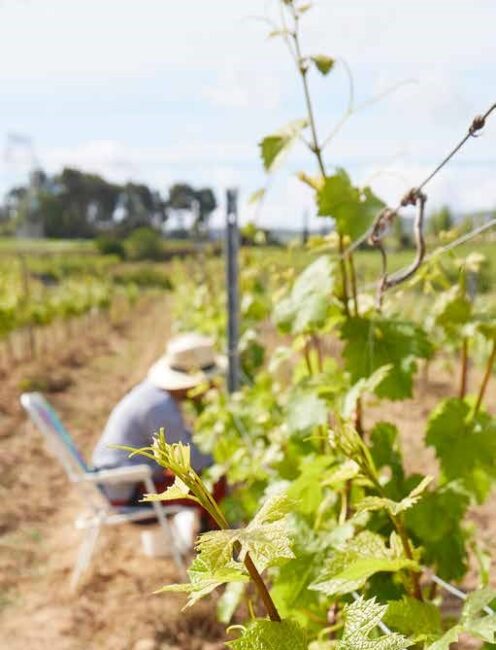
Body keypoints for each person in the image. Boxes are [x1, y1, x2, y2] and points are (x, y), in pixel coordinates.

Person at [91, 332, 225, 507]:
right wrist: (224, 458)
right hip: (128, 487)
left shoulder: (154, 393)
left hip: (116, 478)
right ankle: (212, 533)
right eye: (207, 383)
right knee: (215, 486)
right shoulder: (161, 408)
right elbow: (193, 462)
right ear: (192, 383)